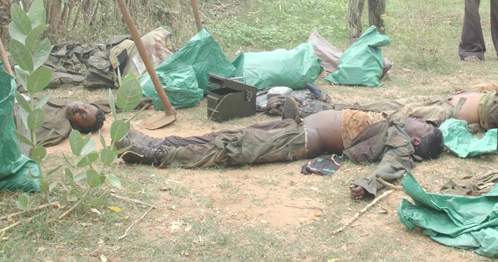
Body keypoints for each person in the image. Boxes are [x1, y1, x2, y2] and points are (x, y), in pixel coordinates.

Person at [116, 109, 444, 200]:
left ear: (416, 141)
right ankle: (159, 142)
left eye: (425, 126)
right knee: (227, 135)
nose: (422, 120)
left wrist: (368, 184)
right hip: (297, 126)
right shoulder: (397, 122)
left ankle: (155, 156)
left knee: (234, 147)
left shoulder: (401, 144)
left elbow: (391, 167)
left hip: (302, 139)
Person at [287, 88, 498, 142]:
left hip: (447, 111)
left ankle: (313, 111)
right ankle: (320, 107)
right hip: (446, 101)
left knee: (392, 112)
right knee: (389, 101)